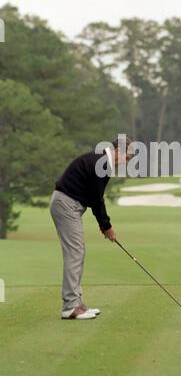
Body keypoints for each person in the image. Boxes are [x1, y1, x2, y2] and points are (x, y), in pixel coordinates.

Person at [50, 136, 132, 320]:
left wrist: (104, 225)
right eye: (127, 158)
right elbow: (97, 200)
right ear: (118, 150)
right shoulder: (101, 164)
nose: (126, 162)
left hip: (68, 204)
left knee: (78, 252)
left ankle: (77, 303)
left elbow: (95, 197)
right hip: (66, 204)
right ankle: (70, 307)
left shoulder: (102, 163)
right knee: (75, 252)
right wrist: (106, 226)